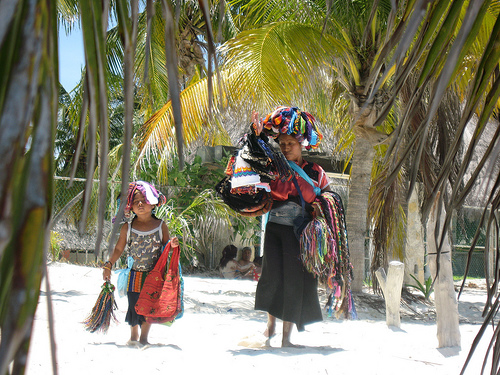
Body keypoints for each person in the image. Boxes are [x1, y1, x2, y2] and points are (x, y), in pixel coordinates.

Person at [254, 106, 331, 348]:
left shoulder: (315, 172)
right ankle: (271, 326)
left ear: (302, 145)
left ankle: (286, 338)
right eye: (282, 143)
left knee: (293, 281)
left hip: (300, 236)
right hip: (275, 231)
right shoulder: (272, 168)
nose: (286, 147)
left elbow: (327, 200)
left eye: (291, 143)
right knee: (272, 277)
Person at [102, 181, 179, 346]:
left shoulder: (160, 226)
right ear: (130, 206)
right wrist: (109, 264)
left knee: (149, 305)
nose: (140, 204)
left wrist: (172, 246)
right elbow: (118, 249)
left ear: (153, 204)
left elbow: (167, 248)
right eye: (136, 201)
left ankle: (144, 337)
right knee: (134, 304)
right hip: (134, 274)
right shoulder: (127, 228)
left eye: (144, 200)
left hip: (154, 275)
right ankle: (134, 335)